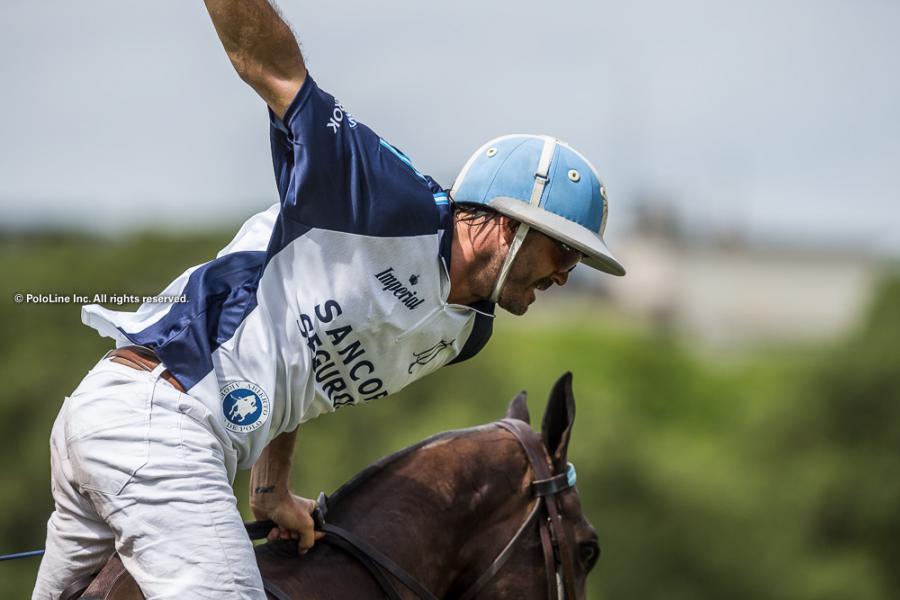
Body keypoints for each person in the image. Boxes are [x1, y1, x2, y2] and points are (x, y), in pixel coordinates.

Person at [32, 1, 625, 598]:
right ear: (507, 225)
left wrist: (270, 487)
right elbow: (272, 68)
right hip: (161, 419)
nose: (566, 276)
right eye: (564, 253)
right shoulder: (386, 198)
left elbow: (307, 373)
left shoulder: (466, 333)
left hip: (142, 432)